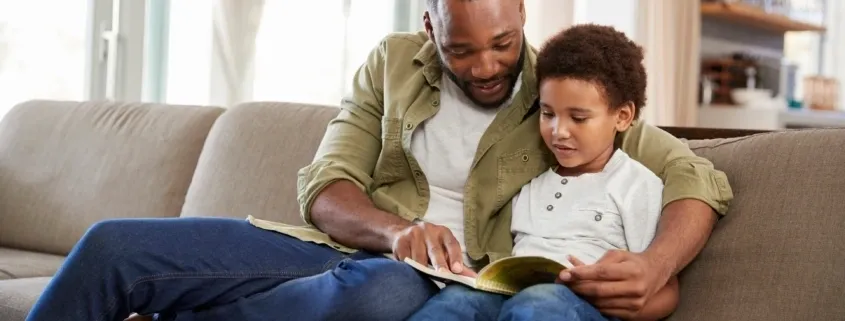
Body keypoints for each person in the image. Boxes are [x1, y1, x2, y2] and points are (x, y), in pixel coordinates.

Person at [24, 0, 732, 320]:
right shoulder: (391, 67)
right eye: (461, 48)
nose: (487, 66)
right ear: (428, 26)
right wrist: (394, 232)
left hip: (440, 285)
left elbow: (692, 174)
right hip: (341, 248)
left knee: (383, 295)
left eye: (503, 42)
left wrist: (655, 264)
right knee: (113, 245)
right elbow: (326, 185)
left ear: (522, 19)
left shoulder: (560, 95)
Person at [407, 23, 679, 321]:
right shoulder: (531, 183)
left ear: (623, 116)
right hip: (513, 296)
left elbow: (667, 292)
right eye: (548, 114)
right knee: (457, 300)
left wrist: (617, 303)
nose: (558, 131)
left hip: (581, 306)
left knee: (540, 302)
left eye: (578, 117)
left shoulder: (636, 184)